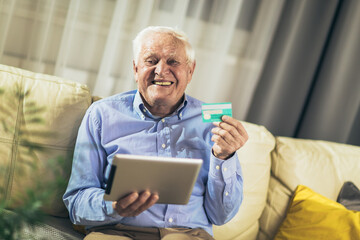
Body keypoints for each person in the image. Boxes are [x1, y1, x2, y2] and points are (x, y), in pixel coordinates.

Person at [63, 26, 248, 240]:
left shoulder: (213, 123)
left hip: (188, 234)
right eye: (151, 61)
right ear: (135, 69)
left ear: (190, 71)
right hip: (116, 230)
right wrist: (113, 206)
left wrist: (224, 157)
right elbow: (76, 204)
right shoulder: (101, 115)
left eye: (173, 61)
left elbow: (221, 216)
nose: (161, 70)